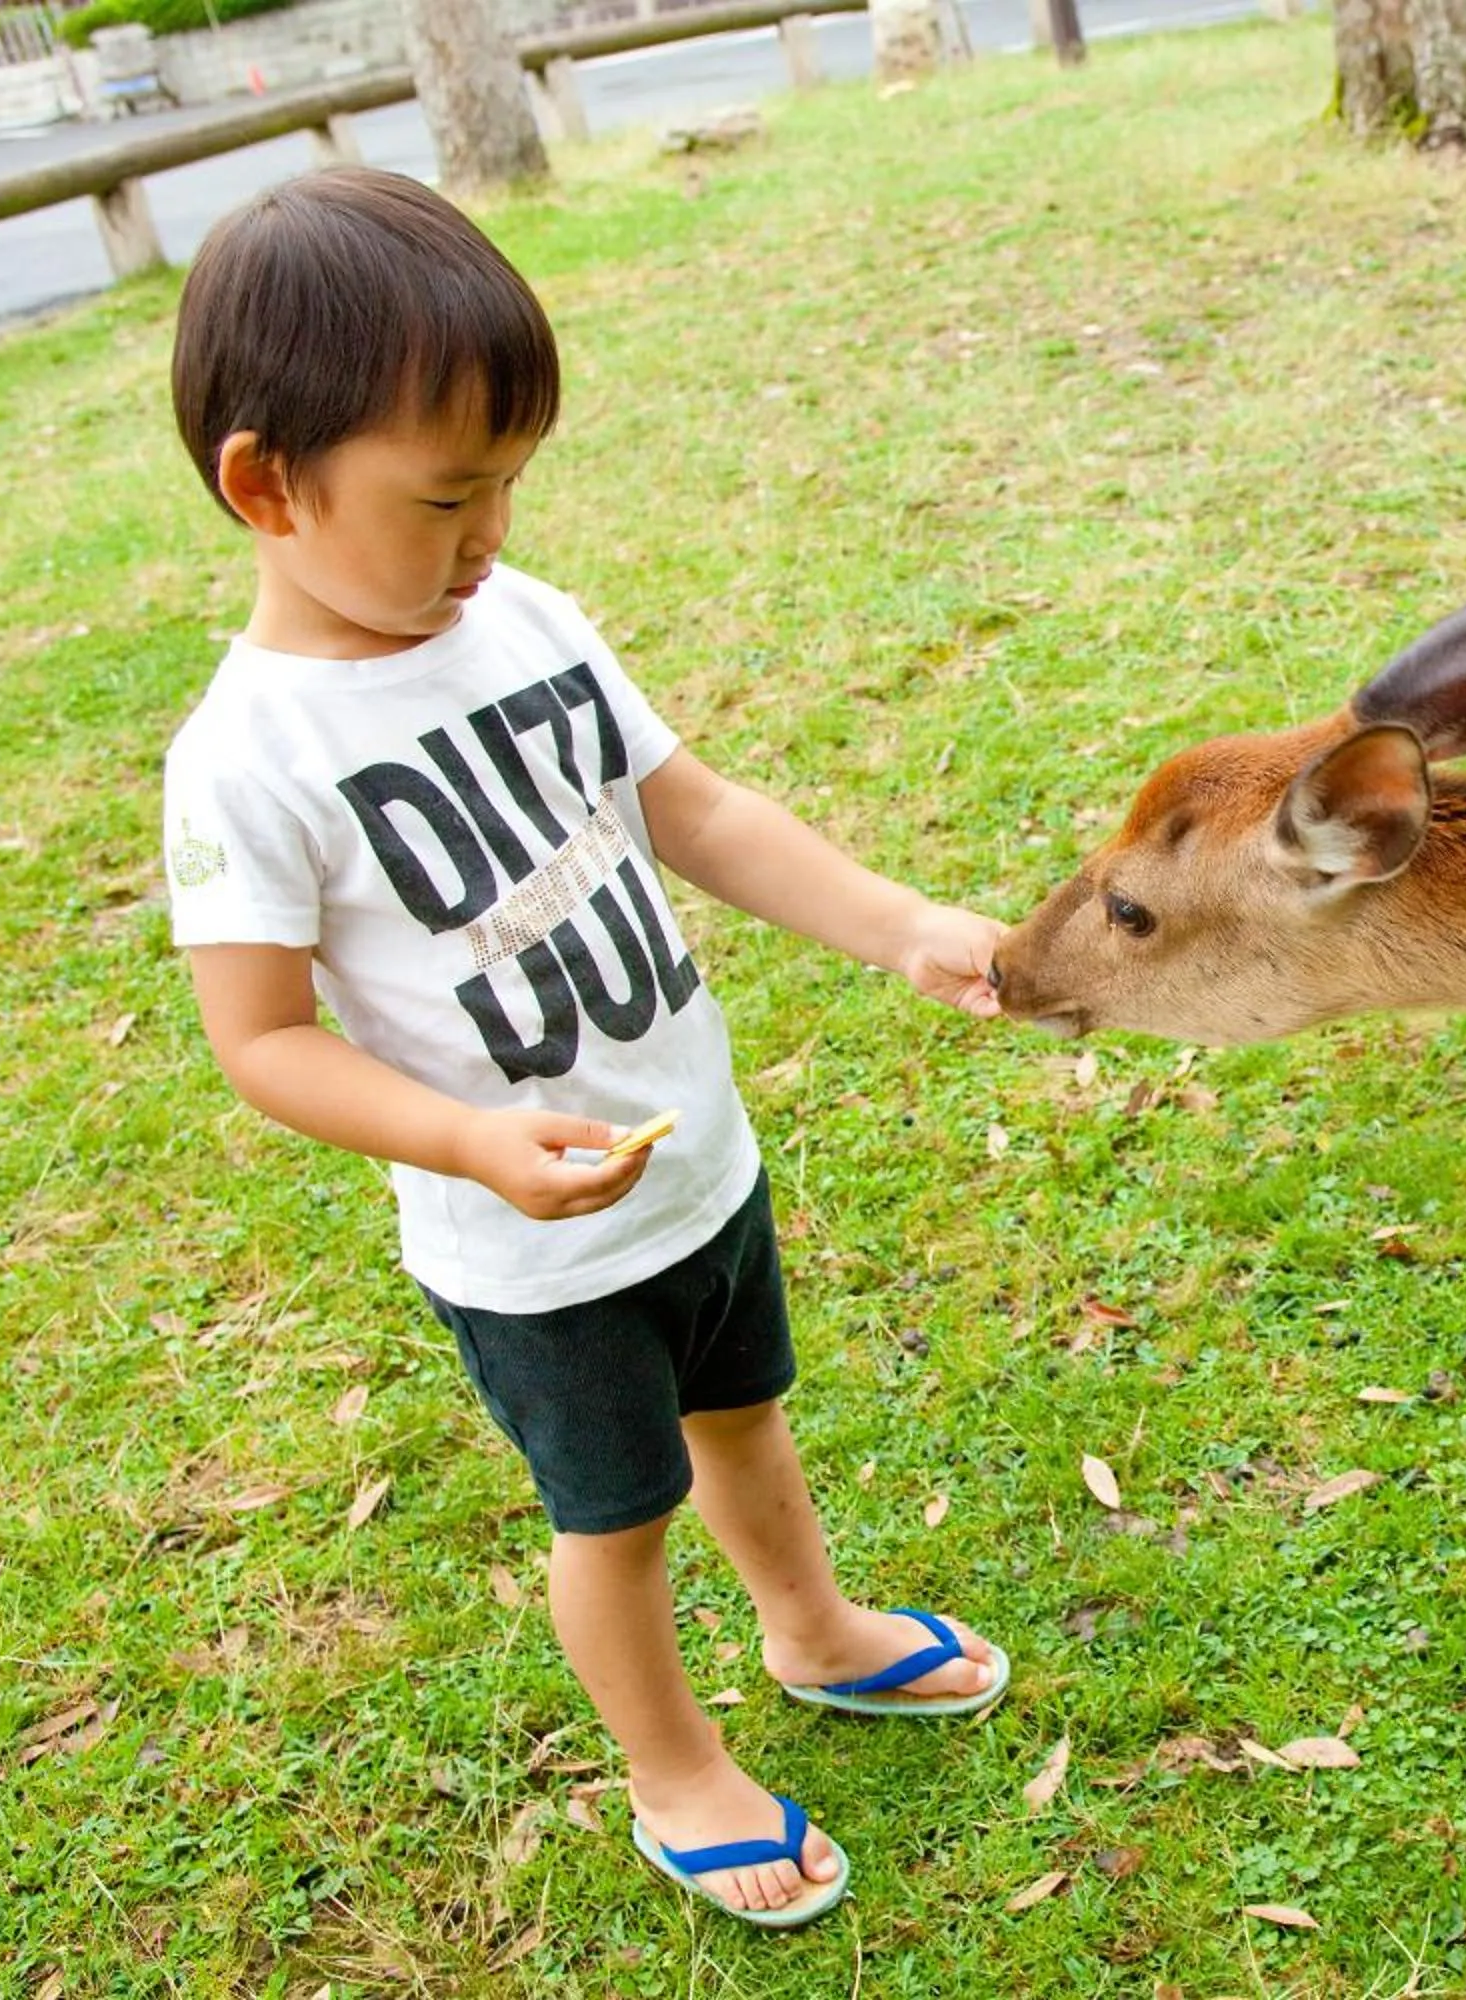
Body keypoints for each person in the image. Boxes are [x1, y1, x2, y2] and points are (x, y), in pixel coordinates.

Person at [160, 166, 1009, 1930]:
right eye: (444, 496)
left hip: (695, 1163)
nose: (488, 534)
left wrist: (900, 922)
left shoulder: (524, 619)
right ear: (266, 485)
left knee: (747, 1419)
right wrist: (468, 1144)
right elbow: (262, 1041)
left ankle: (812, 1628)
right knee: (616, 1515)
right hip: (531, 1250)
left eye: (511, 485)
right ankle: (674, 1767)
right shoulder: (246, 757)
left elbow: (696, 812)